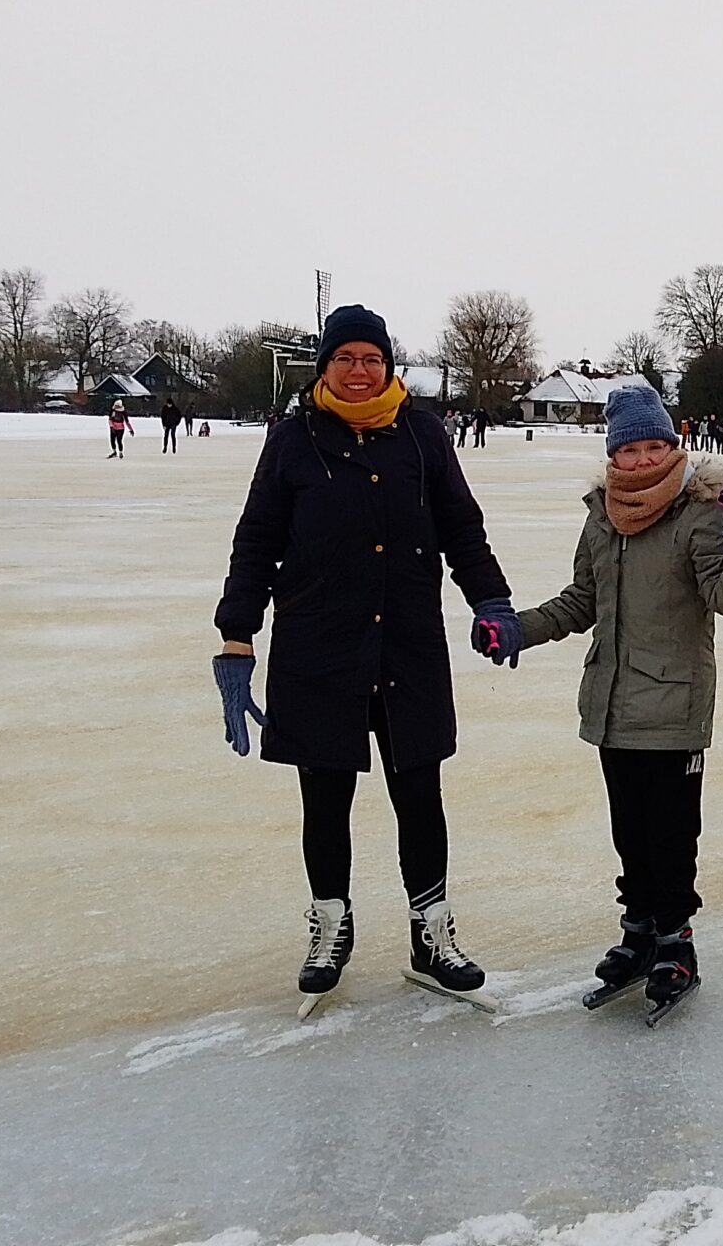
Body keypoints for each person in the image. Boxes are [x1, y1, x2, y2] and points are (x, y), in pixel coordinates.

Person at [211, 304, 524, 1017]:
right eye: (346, 358)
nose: (359, 371)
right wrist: (237, 634)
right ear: (325, 367)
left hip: (407, 642)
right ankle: (330, 928)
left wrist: (491, 600)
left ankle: (431, 936)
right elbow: (257, 540)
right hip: (318, 645)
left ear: (388, 367)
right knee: (324, 797)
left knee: (420, 793)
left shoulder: (422, 434)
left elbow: (460, 527)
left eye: (372, 359)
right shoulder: (293, 439)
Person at [516, 386, 723, 1021]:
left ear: (672, 444)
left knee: (672, 833)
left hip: (675, 704)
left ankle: (676, 942)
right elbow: (583, 599)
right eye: (629, 450)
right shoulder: (602, 515)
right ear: (612, 455)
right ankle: (639, 933)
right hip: (612, 702)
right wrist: (520, 629)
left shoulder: (699, 512)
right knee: (629, 829)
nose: (642, 460)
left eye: (654, 446)